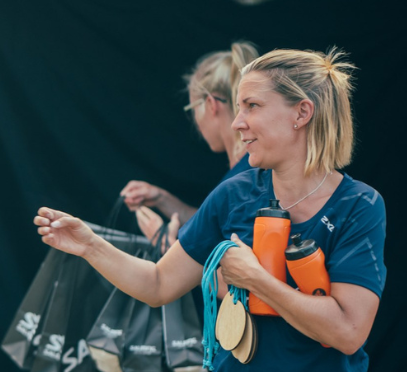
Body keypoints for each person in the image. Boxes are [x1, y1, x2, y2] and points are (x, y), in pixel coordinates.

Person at [35, 48, 386, 371]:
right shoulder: (234, 194)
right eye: (238, 107)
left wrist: (257, 281)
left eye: (252, 106)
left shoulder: (359, 205)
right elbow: (158, 284)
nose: (236, 122)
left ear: (302, 112)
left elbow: (349, 332)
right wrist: (90, 246)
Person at [121, 42, 259, 241]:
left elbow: (220, 264)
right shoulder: (247, 170)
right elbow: (210, 224)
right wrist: (161, 198)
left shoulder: (240, 180)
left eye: (193, 108)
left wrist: (162, 242)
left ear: (211, 105)